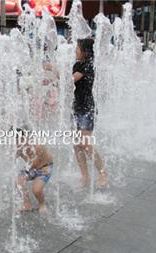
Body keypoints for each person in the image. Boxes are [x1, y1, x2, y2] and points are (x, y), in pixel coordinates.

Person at [72, 38, 108, 189]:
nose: (75, 51)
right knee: (76, 144)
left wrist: (54, 70)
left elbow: (70, 80)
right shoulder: (77, 64)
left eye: (78, 48)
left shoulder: (87, 66)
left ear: (85, 52)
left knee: (86, 143)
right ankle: (84, 176)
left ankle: (103, 172)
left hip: (86, 109)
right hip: (76, 107)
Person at [15, 128, 53, 215]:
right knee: (18, 182)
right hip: (31, 167)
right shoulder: (19, 147)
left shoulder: (38, 146)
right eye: (17, 140)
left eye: (22, 139)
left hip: (44, 168)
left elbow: (35, 162)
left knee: (36, 190)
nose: (19, 143)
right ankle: (27, 204)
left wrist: (28, 172)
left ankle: (42, 204)